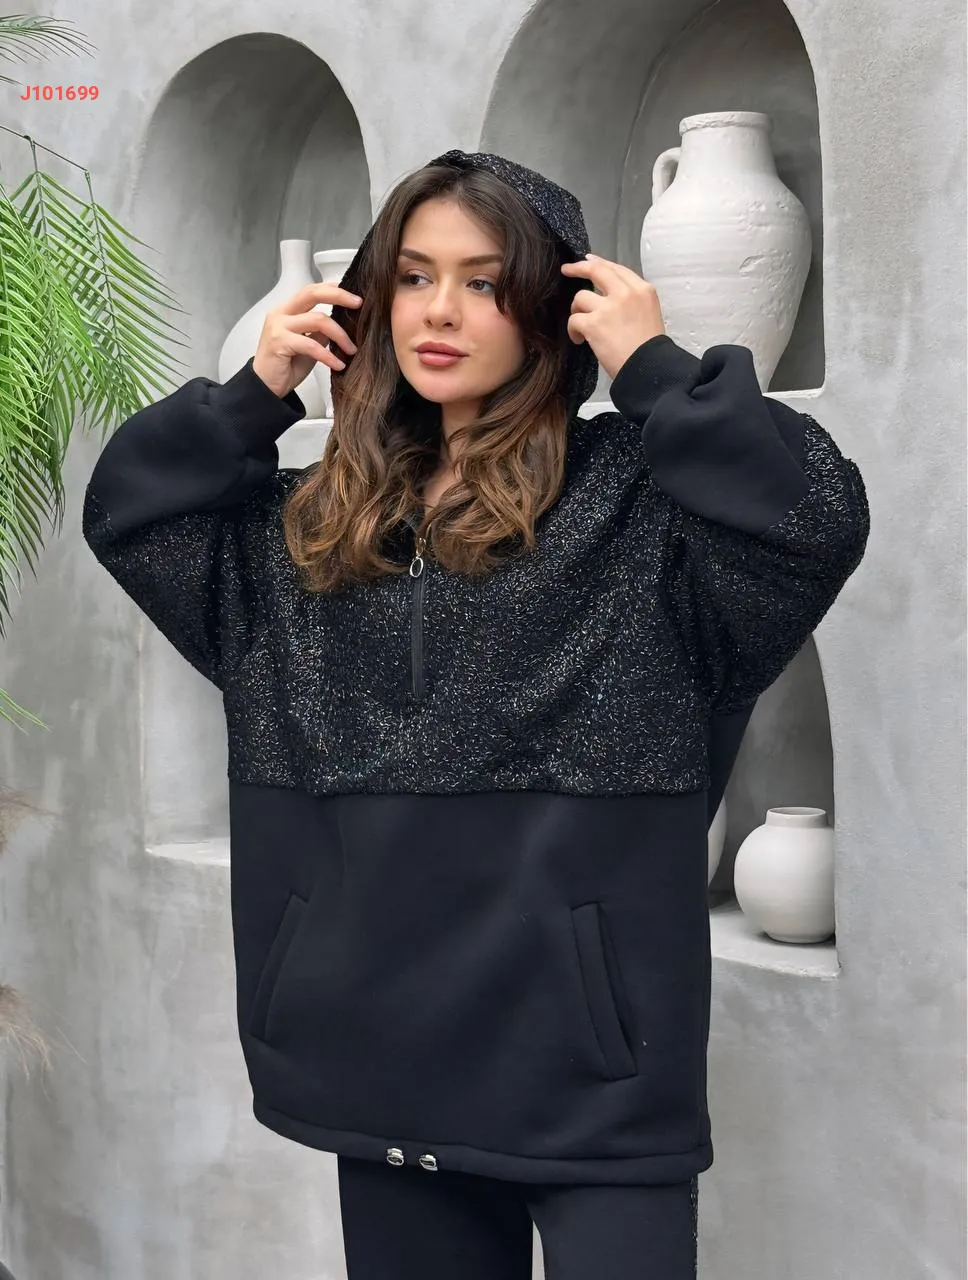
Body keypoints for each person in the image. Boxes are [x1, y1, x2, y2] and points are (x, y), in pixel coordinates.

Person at [82, 149, 870, 1278]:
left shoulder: (644, 509)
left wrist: (655, 371)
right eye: (412, 276)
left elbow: (814, 517)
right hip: (376, 1064)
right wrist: (252, 395)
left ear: (554, 305)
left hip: (597, 1086)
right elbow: (130, 509)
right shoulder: (309, 528)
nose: (438, 311)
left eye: (485, 282)